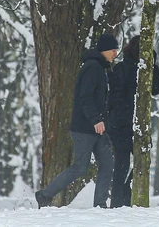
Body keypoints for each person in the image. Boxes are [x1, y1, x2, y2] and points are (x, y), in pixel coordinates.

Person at [35, 33, 118, 209]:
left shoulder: (100, 68)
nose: (115, 53)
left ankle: (100, 205)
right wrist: (96, 120)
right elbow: (85, 97)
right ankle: (44, 195)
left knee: (107, 163)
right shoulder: (92, 67)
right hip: (84, 129)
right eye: (113, 50)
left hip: (97, 128)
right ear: (103, 50)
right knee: (81, 167)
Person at [107, 35, 159, 208]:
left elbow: (157, 89)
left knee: (141, 160)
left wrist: (153, 66)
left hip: (137, 124)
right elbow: (115, 97)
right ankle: (118, 202)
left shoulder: (146, 68)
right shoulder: (122, 69)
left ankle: (125, 195)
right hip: (122, 124)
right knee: (123, 164)